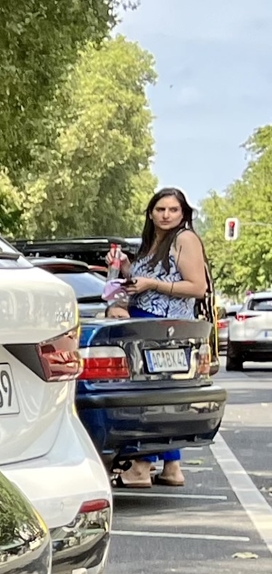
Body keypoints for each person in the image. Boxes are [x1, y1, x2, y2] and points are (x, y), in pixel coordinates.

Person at [106, 186, 211, 489]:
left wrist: (152, 283)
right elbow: (145, 280)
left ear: (183, 213)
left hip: (164, 328)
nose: (166, 215)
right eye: (160, 209)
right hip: (150, 325)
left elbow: (196, 287)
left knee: (145, 399)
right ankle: (171, 466)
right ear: (150, 213)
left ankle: (140, 467)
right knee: (161, 397)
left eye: (173, 210)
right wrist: (125, 267)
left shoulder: (185, 239)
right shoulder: (153, 243)